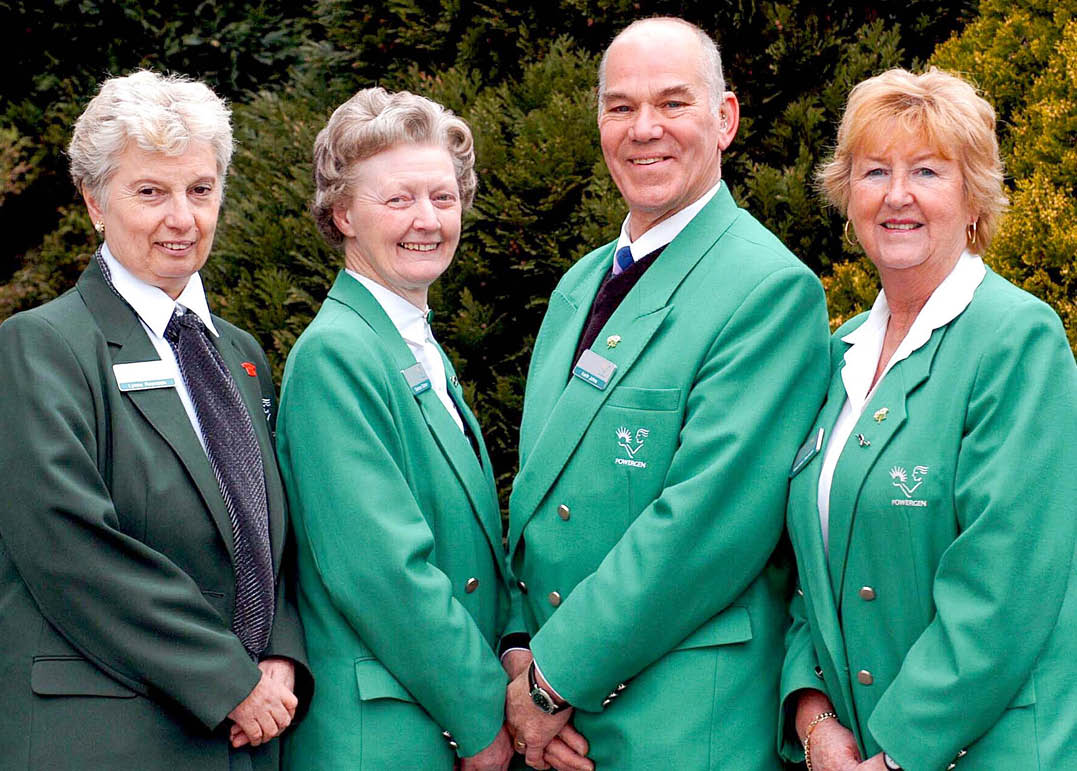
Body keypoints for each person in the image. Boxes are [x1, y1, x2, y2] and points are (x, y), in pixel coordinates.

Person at [503, 17, 830, 771]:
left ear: (725, 120)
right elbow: (535, 502)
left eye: (673, 104)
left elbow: (702, 529)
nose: (643, 129)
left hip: (682, 725)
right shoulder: (576, 286)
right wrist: (518, 650)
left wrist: (550, 682)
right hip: (563, 723)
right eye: (620, 107)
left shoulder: (767, 290)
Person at [0, 70, 311, 770]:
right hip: (107, 735)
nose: (182, 217)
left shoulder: (240, 353)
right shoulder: (40, 347)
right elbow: (69, 546)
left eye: (200, 190)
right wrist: (228, 678)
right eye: (150, 191)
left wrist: (282, 653)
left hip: (246, 735)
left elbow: (268, 536)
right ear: (93, 202)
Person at [780, 68, 1077, 771]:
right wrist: (814, 719)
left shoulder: (1016, 341)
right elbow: (801, 569)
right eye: (873, 170)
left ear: (972, 196)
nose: (896, 195)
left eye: (926, 171)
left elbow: (1003, 590)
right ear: (846, 194)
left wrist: (897, 755)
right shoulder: (839, 352)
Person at [276, 87, 514, 771]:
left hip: (420, 722)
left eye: (443, 197)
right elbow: (382, 572)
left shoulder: (409, 343)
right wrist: (480, 717)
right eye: (399, 199)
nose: (426, 220)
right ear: (344, 212)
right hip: (380, 737)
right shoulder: (336, 355)